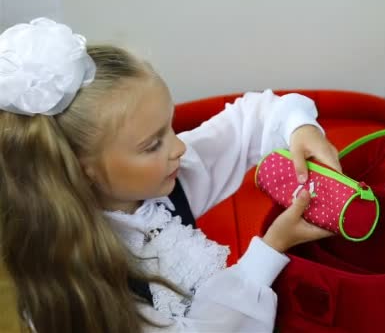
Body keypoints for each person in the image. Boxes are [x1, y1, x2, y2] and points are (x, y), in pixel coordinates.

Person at [0, 18, 341, 333]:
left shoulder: (162, 178)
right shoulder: (82, 285)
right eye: (152, 144)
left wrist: (299, 128)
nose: (178, 146)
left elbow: (254, 119)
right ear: (80, 169)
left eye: (171, 127)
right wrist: (271, 249)